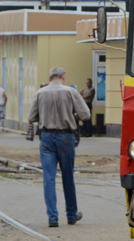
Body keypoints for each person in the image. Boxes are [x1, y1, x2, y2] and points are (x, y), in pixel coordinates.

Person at [28, 67, 91, 228]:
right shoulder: (70, 92)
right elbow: (86, 115)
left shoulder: (40, 93)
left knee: (49, 178)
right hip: (66, 137)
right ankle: (71, 215)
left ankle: (52, 217)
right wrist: (70, 115)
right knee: (68, 176)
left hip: (47, 137)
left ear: (49, 78)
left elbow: (31, 117)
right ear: (63, 77)